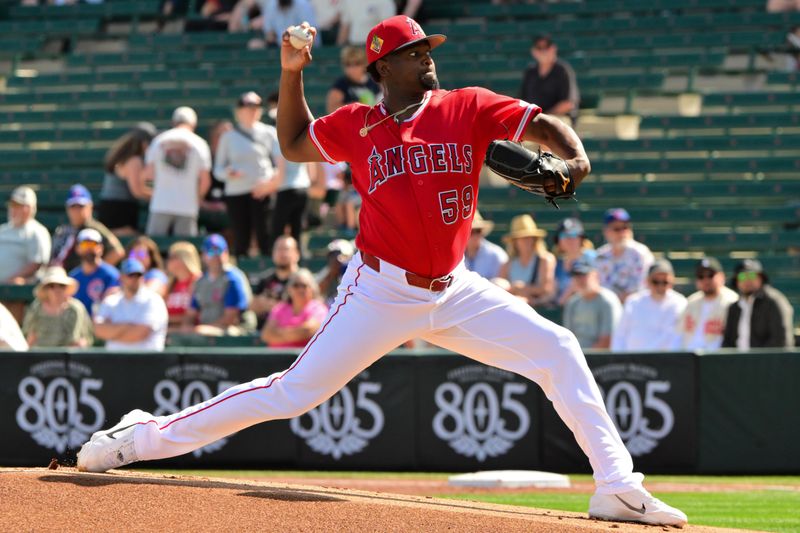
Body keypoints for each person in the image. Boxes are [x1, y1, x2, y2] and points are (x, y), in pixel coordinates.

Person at [77, 16, 687, 528]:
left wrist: (576, 156)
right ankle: (142, 437)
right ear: (383, 67)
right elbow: (290, 142)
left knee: (557, 346)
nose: (427, 59)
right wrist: (293, 73)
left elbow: (541, 124)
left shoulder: (466, 106)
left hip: (456, 288)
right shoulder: (357, 126)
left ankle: (615, 485)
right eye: (413, 53)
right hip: (379, 289)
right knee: (293, 393)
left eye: (427, 50)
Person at [214, 91, 284, 257]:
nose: (252, 110)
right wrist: (228, 173)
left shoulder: (269, 133)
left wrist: (270, 182)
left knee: (264, 235)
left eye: (256, 106)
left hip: (261, 192)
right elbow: (217, 170)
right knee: (240, 236)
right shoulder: (228, 137)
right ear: (239, 111)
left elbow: (279, 164)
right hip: (236, 192)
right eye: (247, 107)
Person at [144, 106, 212, 237]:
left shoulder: (158, 141)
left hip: (160, 204)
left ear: (174, 122)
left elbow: (147, 176)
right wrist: (196, 199)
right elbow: (205, 181)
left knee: (155, 247)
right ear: (193, 124)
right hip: (187, 206)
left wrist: (156, 193)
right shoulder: (200, 144)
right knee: (185, 250)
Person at [611, 259, 687, 352]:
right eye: (656, 282)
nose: (660, 286)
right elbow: (620, 336)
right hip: (635, 360)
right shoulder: (633, 302)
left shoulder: (681, 303)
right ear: (647, 281)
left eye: (665, 282)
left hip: (668, 360)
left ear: (672, 281)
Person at [184, 234, 252, 336]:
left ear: (226, 253)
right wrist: (187, 326)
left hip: (235, 329)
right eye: (211, 252)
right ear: (204, 256)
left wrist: (204, 329)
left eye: (219, 251)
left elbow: (231, 318)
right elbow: (191, 313)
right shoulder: (200, 282)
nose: (216, 256)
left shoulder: (233, 278)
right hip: (207, 328)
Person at [94, 259, 169, 351]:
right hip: (115, 361)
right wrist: (127, 326)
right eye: (130, 275)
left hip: (147, 361)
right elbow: (99, 330)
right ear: (121, 277)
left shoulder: (153, 300)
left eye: (138, 275)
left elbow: (140, 333)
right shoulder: (111, 301)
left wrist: (112, 331)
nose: (135, 279)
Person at [50, 184, 125, 272]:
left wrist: (95, 272)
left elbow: (117, 252)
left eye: (81, 206)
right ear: (67, 208)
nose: (77, 211)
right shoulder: (64, 230)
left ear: (90, 206)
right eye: (73, 206)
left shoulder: (94, 228)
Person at [722, 259, 795, 349]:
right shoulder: (734, 307)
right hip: (737, 361)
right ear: (736, 281)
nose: (747, 280)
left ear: (761, 278)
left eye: (752, 275)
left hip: (766, 361)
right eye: (742, 276)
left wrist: (757, 360)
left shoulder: (774, 301)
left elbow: (781, 341)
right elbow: (727, 342)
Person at [97, 124, 155, 235]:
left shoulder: (122, 157)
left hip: (111, 207)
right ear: (143, 144)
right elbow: (137, 192)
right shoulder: (134, 160)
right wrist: (159, 197)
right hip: (119, 210)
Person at [23, 266, 93, 348]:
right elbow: (30, 337)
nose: (57, 289)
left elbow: (77, 340)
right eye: (52, 286)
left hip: (68, 356)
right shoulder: (36, 308)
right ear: (46, 289)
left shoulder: (75, 309)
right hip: (41, 356)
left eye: (61, 285)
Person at [595, 208, 654, 303]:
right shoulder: (600, 256)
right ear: (606, 231)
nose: (622, 233)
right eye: (617, 229)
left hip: (636, 307)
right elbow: (597, 286)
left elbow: (643, 287)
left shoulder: (641, 253)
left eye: (625, 227)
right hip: (607, 308)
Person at [563, 255, 621, 349]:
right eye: (576, 276)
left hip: (602, 359)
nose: (579, 280)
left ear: (595, 275)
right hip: (577, 355)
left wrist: (585, 358)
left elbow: (607, 341)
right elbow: (568, 338)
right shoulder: (572, 302)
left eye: (583, 275)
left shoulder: (607, 300)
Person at [679, 257, 739, 351]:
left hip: (717, 357)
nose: (706, 280)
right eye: (701, 276)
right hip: (689, 357)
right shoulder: (691, 302)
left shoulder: (732, 302)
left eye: (710, 275)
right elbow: (679, 333)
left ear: (721, 277)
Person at [261, 268, 329, 347]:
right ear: (289, 289)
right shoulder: (279, 308)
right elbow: (266, 334)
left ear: (312, 289)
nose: (300, 289)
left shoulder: (319, 308)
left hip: (303, 357)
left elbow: (308, 330)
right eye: (296, 285)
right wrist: (295, 333)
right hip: (276, 357)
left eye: (304, 285)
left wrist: (278, 334)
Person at [498, 214, 556, 306]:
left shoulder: (545, 259)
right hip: (514, 308)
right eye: (522, 238)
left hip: (538, 308)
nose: (527, 241)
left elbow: (546, 289)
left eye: (530, 237)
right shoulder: (507, 264)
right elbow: (499, 290)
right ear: (514, 241)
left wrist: (522, 288)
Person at [519, 34, 579, 122]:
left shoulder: (562, 70)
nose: (543, 51)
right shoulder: (530, 72)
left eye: (546, 47)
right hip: (534, 120)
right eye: (539, 48)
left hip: (559, 119)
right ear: (533, 51)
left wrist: (544, 117)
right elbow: (523, 100)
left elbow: (568, 104)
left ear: (553, 48)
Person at [0, 186, 51, 284]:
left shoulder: (37, 232)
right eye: (12, 205)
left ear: (30, 209)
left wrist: (12, 279)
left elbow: (36, 264)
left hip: (17, 290)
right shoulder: (2, 229)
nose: (13, 210)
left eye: (18, 206)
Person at [68, 228, 120, 317]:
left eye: (93, 244)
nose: (89, 248)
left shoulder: (112, 275)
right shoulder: (73, 277)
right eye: (85, 244)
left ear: (101, 248)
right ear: (77, 248)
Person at [251, 234, 300, 328]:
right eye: (278, 249)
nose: (282, 253)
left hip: (289, 333)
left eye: (286, 249)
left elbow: (304, 309)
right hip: (263, 332)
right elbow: (252, 306)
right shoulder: (265, 280)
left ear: (297, 254)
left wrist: (274, 307)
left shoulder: (303, 281)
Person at [230, 0, 317, 48]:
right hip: (279, 45)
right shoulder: (271, 5)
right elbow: (269, 34)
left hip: (301, 46)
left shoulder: (302, 4)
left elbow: (310, 32)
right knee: (254, 44)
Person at [326, 45, 382, 114]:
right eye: (348, 64)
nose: (352, 68)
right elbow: (331, 109)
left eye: (357, 63)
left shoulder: (375, 82)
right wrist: (356, 106)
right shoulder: (340, 84)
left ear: (364, 64)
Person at [552, 217, 595, 305]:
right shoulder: (556, 264)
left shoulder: (593, 258)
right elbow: (554, 296)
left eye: (574, 234)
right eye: (564, 235)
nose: (570, 239)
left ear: (581, 238)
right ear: (558, 241)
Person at [164, 241, 203, 332]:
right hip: (170, 329)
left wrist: (168, 319)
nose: (168, 261)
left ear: (185, 259)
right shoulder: (170, 284)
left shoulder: (198, 281)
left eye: (173, 257)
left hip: (191, 329)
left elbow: (197, 314)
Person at [463, 211, 507, 280]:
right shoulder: (457, 256)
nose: (475, 235)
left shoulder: (496, 254)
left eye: (478, 231)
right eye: (471, 231)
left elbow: (502, 283)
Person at [315, 238, 356, 305]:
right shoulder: (328, 274)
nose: (334, 259)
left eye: (337, 254)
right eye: (331, 255)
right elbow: (316, 290)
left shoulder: (354, 276)